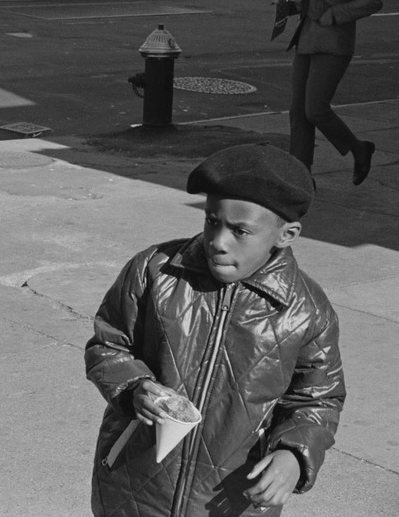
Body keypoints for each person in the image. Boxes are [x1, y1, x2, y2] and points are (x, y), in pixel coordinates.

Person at [85, 144, 345, 516]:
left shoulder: (305, 310)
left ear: (286, 235)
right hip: (134, 485)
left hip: (230, 498)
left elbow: (318, 397)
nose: (218, 242)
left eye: (240, 231)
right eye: (211, 221)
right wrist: (133, 386)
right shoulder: (155, 271)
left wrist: (293, 454)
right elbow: (108, 344)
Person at [286, 0, 382, 185]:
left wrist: (336, 13)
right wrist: (290, 3)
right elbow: (309, 0)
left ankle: (359, 149)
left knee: (316, 109)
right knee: (298, 111)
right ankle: (301, 176)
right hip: (307, 40)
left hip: (333, 44)